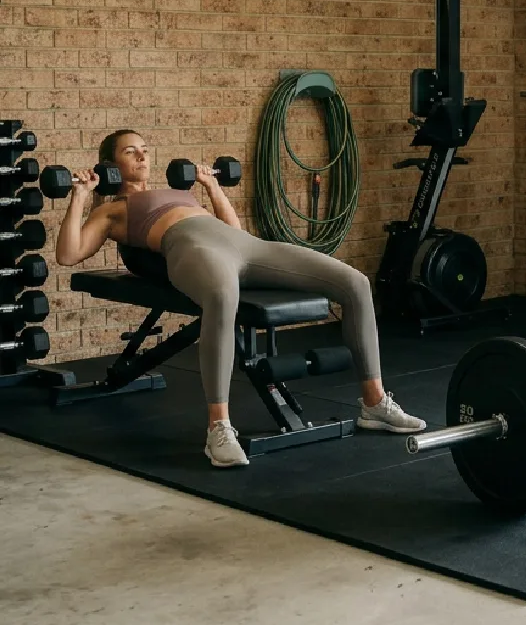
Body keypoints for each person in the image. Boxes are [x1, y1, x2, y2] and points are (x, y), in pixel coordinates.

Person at [55, 129, 426, 468]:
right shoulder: (112, 210)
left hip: (246, 247)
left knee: (355, 283)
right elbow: (69, 254)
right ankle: (219, 428)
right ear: (110, 165)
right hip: (193, 247)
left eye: (145, 150)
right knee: (221, 295)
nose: (142, 157)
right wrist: (80, 195)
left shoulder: (181, 191)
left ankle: (374, 403)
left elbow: (234, 230)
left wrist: (211, 186)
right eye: (130, 151)